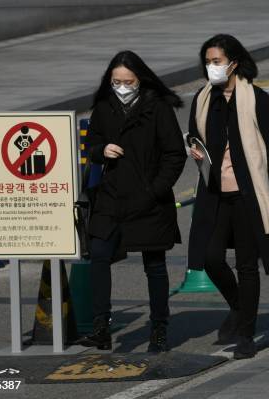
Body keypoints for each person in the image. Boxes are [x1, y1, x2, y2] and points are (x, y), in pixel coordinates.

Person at [187, 34, 269, 359]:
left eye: (216, 61)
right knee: (210, 257)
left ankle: (246, 333)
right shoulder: (204, 99)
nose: (211, 67)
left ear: (234, 62)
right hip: (214, 192)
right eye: (207, 62)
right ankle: (238, 307)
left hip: (250, 195)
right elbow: (194, 133)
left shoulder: (257, 100)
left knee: (247, 265)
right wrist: (193, 148)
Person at [78, 50, 186, 352]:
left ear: (140, 80)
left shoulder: (158, 108)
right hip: (111, 197)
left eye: (127, 81)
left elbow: (174, 154)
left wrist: (156, 189)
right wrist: (102, 150)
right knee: (98, 254)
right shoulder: (104, 106)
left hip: (149, 199)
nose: (122, 87)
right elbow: (92, 143)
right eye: (116, 81)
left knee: (154, 264)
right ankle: (101, 326)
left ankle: (159, 328)